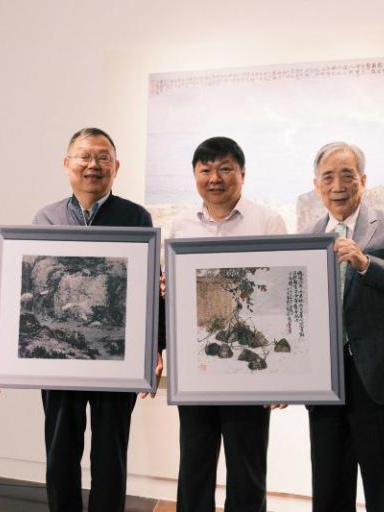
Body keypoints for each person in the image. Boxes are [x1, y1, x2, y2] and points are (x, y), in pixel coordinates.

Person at [0, 127, 164, 512]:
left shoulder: (136, 217)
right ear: (67, 164)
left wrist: (156, 347)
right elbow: (20, 288)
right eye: (84, 156)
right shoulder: (46, 217)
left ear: (116, 167)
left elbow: (152, 290)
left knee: (111, 453)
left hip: (119, 362)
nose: (93, 165)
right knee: (61, 450)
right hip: (57, 361)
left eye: (103, 157)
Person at [303, 142, 384, 512]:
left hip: (381, 378)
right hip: (326, 382)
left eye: (347, 175)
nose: (337, 186)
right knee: (329, 490)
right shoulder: (309, 235)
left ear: (363, 180)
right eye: (328, 177)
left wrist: (366, 264)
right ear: (317, 185)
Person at [169, 136, 287, 512]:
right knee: (194, 464)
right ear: (195, 175)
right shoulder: (180, 226)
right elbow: (173, 297)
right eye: (205, 170)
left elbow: (279, 296)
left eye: (224, 169)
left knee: (247, 467)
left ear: (242, 174)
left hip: (250, 365)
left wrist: (282, 371)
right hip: (196, 367)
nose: (214, 178)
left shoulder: (267, 222)